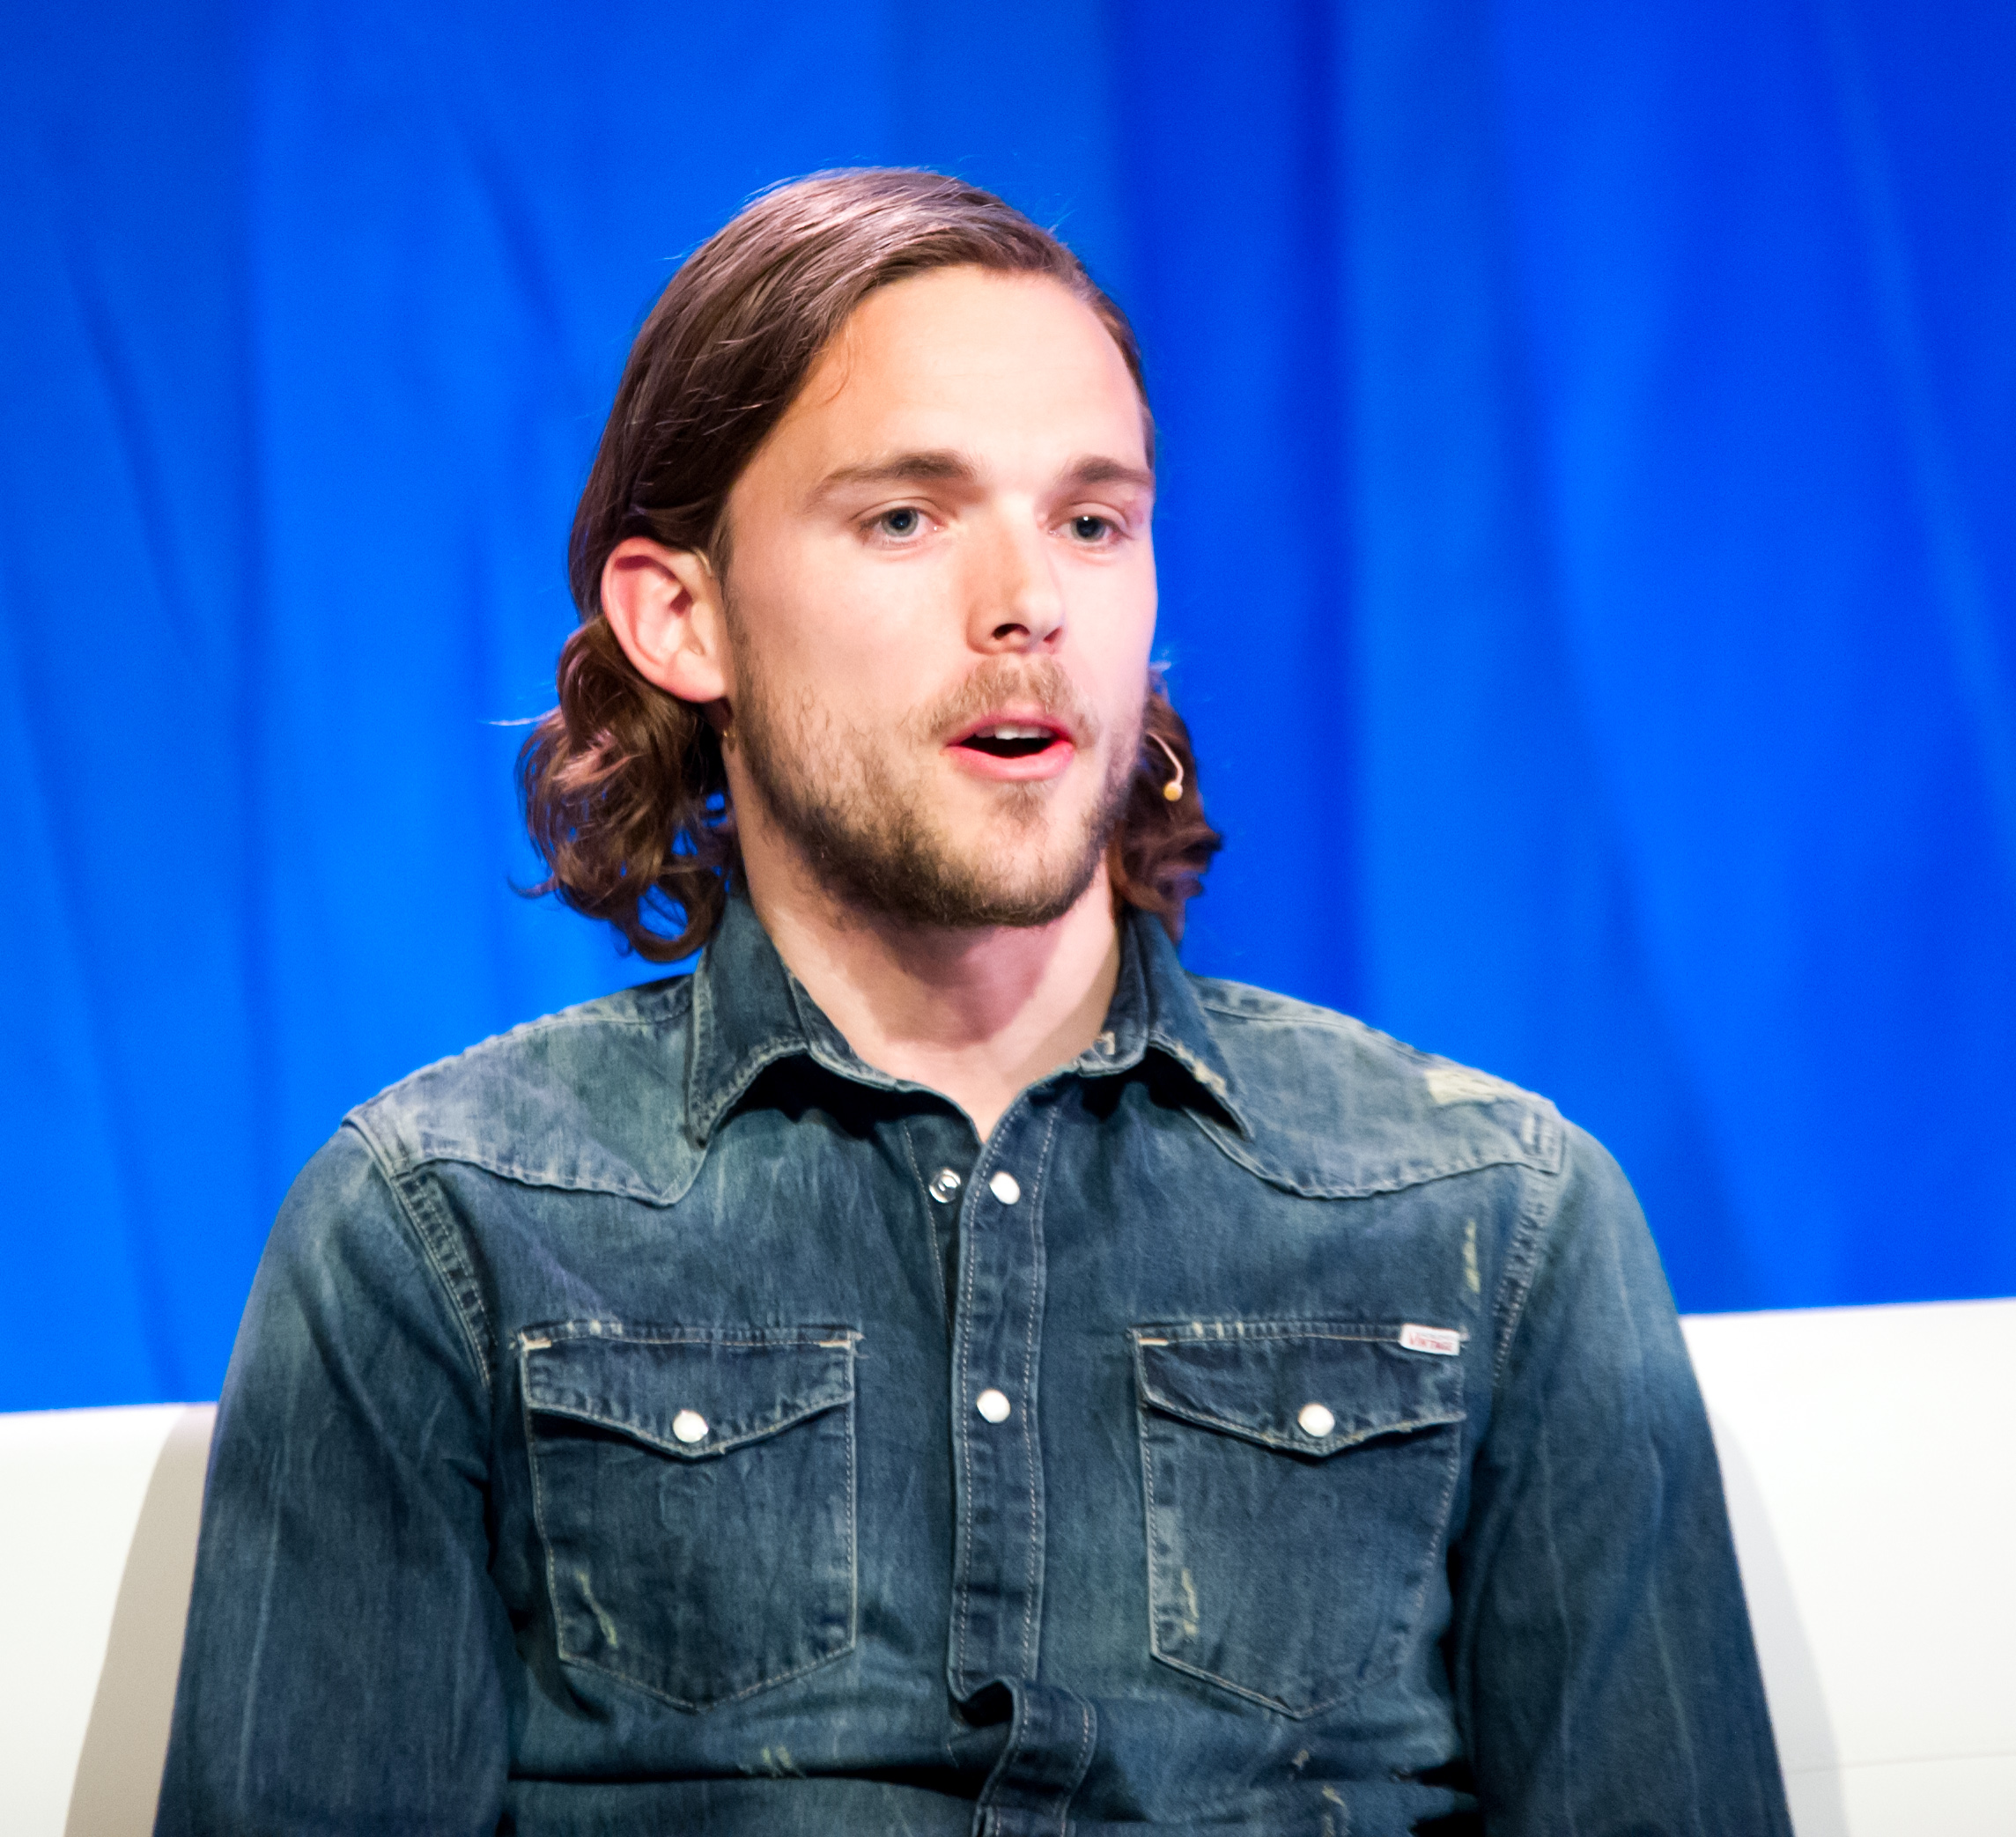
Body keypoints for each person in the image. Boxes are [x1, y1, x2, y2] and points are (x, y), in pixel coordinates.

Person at [157, 169, 1791, 1837]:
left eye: (1092, 520)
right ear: (683, 615)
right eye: (905, 516)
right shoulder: (443, 1229)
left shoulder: (1496, 1219)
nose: (1031, 601)